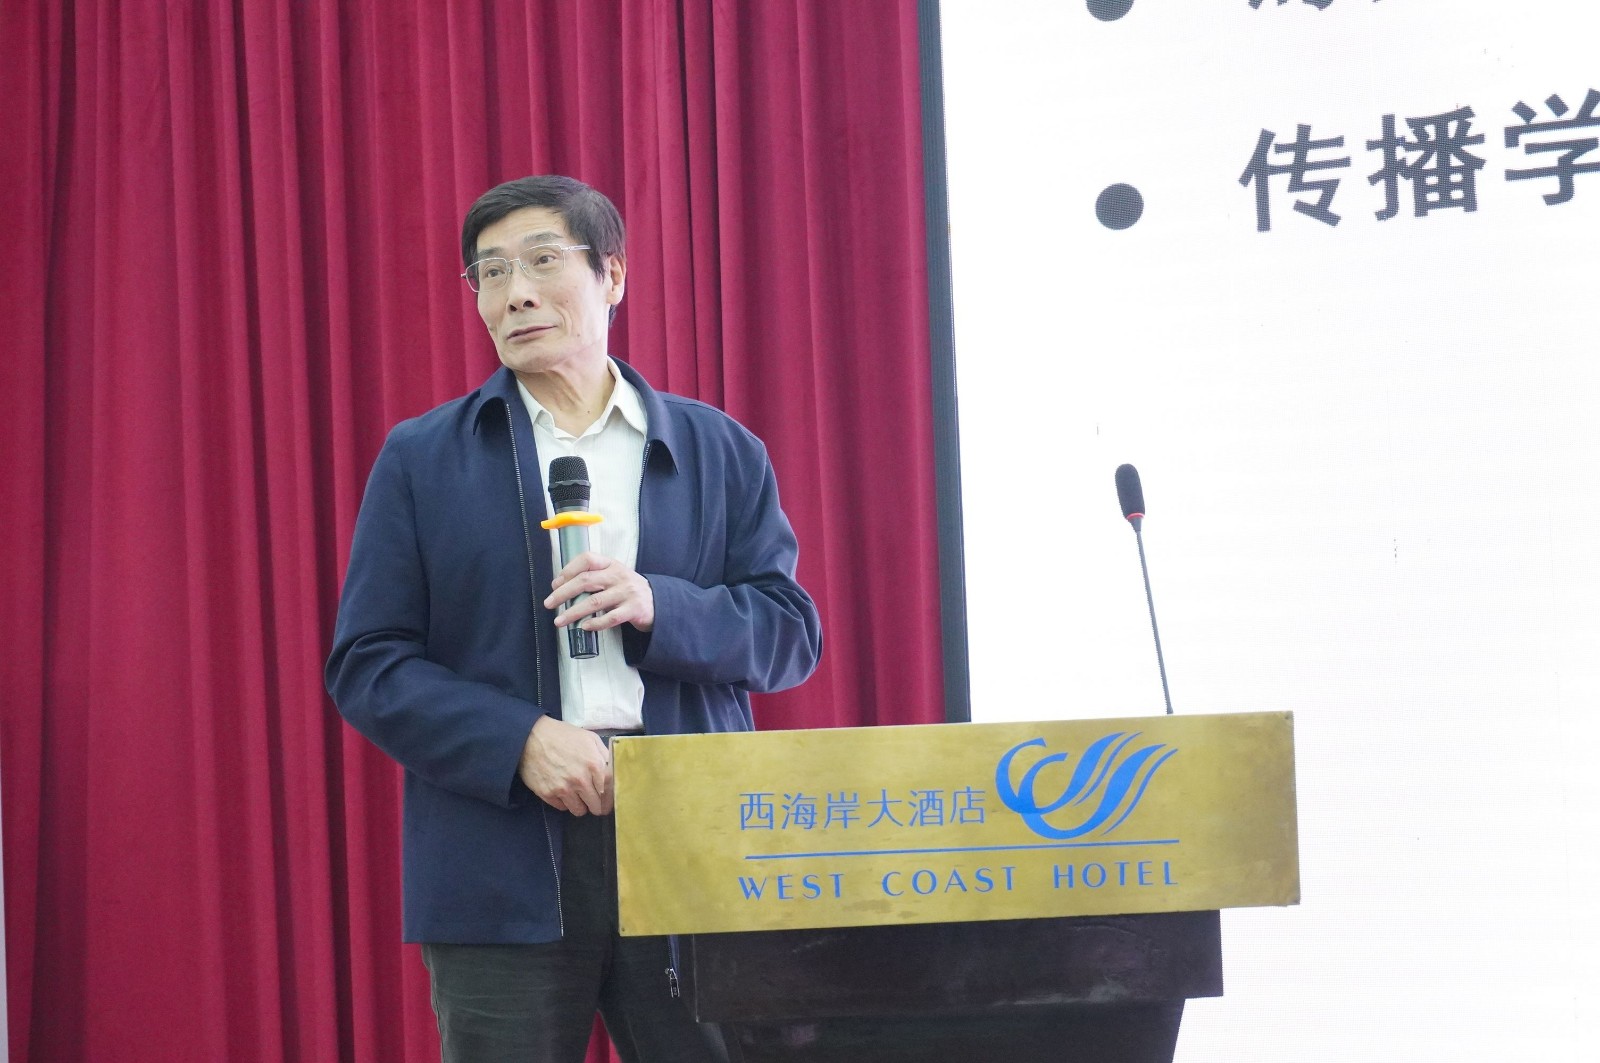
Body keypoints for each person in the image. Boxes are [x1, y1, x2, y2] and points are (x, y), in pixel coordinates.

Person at [325, 175, 823, 1063]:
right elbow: (368, 663)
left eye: (542, 261)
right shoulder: (423, 459)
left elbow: (789, 632)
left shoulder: (719, 449)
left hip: (690, 848)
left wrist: (662, 605)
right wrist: (518, 739)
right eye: (490, 272)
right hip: (499, 849)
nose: (514, 292)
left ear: (613, 275)